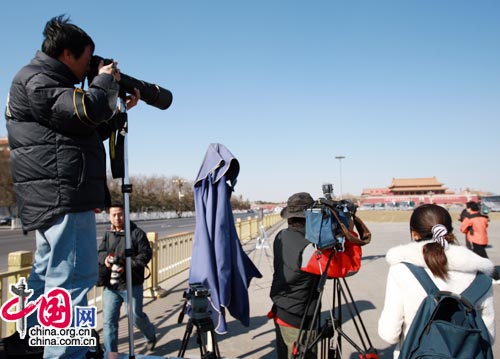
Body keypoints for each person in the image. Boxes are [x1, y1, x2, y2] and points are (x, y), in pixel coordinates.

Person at [4, 15, 139, 358]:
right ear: (67, 53)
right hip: (64, 197)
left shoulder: (43, 82)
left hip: (55, 196)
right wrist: (105, 82)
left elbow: (85, 128)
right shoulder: (38, 81)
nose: (88, 68)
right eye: (86, 59)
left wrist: (115, 106)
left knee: (46, 278)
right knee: (72, 283)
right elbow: (87, 109)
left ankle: (34, 345)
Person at [378, 204, 496, 359]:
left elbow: (389, 334)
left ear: (414, 233)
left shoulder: (401, 271)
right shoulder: (479, 275)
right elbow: (488, 336)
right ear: (450, 231)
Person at [97, 204, 157, 354]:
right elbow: (100, 252)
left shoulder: (137, 233)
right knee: (109, 322)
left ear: (126, 214)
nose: (117, 218)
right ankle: (111, 354)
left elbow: (146, 255)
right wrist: (106, 259)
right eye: (114, 215)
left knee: (136, 317)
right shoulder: (108, 234)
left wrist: (127, 264)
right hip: (112, 286)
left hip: (132, 284)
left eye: (120, 214)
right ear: (109, 216)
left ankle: (150, 335)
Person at [269, 192, 320, 359]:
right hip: (299, 320)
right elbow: (345, 269)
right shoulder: (308, 249)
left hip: (282, 310)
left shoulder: (282, 235)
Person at [460, 201, 500, 282]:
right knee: (478, 258)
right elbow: (486, 225)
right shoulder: (483, 217)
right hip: (483, 239)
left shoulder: (469, 218)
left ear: (469, 208)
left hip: (474, 240)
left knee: (483, 259)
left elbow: (462, 229)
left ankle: (495, 276)